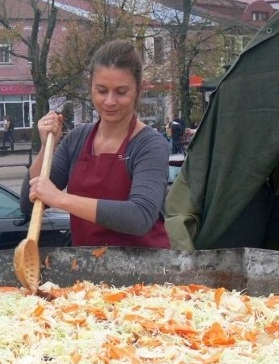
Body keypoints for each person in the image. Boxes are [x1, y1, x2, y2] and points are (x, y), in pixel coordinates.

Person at [20, 39, 170, 248]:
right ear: (91, 86)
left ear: (138, 89)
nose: (109, 101)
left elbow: (140, 217)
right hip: (87, 270)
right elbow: (29, 204)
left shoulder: (150, 145)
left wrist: (60, 199)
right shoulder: (76, 139)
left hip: (144, 272)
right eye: (101, 90)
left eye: (121, 92)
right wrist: (47, 147)